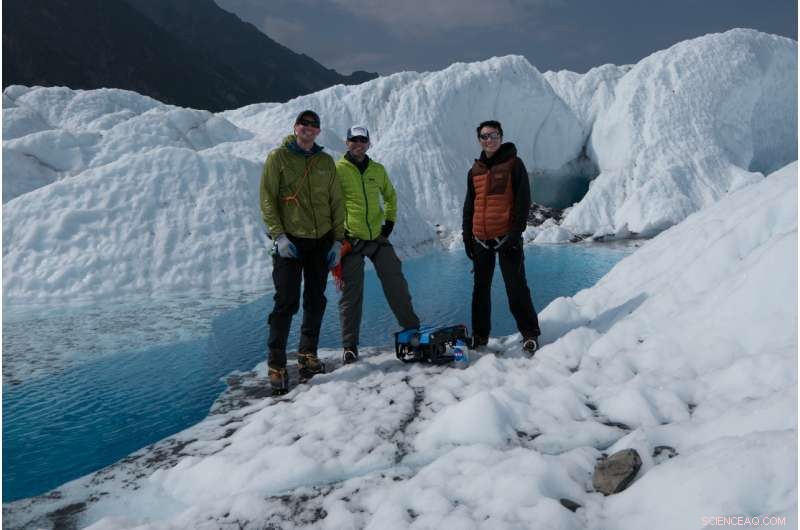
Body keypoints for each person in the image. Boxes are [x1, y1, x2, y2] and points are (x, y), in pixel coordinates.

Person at [260, 110, 345, 395]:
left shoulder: (324, 161)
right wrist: (279, 236)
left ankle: (307, 355)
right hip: (291, 242)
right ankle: (276, 364)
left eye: (313, 126)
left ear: (318, 131)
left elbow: (336, 201)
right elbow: (268, 199)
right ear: (295, 127)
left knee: (315, 299)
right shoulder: (278, 158)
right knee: (285, 302)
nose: (308, 129)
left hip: (320, 242)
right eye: (304, 124)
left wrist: (337, 240)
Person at [335, 125, 420, 364]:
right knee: (351, 296)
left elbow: (390, 196)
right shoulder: (337, 170)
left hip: (377, 239)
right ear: (347, 142)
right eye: (354, 140)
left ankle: (412, 331)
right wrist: (339, 236)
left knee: (397, 285)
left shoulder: (377, 169)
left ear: (369, 143)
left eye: (363, 140)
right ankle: (349, 346)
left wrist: (389, 224)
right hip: (351, 241)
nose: (359, 144)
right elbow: (328, 203)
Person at [462, 120, 541, 354]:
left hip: (507, 238)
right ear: (479, 140)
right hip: (480, 239)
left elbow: (523, 200)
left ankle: (530, 334)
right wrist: (467, 237)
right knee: (480, 290)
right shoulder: (474, 171)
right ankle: (480, 337)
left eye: (493, 135)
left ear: (501, 136)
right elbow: (470, 205)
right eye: (485, 136)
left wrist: (515, 234)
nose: (489, 140)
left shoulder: (514, 164)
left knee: (516, 287)